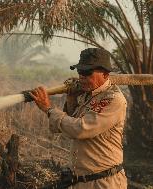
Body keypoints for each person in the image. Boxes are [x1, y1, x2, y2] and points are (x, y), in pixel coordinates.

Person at [29, 48, 127, 189]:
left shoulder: (113, 99)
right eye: (80, 72)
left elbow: (80, 129)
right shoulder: (88, 95)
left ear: (105, 74)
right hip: (80, 181)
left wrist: (48, 108)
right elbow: (68, 126)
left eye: (87, 73)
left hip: (104, 182)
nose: (82, 77)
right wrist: (72, 99)